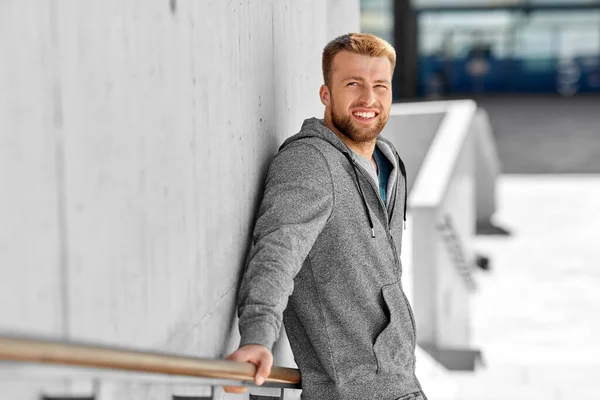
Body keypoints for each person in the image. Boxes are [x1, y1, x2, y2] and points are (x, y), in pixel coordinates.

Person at [225, 33, 426, 400]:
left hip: (402, 384)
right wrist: (257, 336)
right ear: (326, 94)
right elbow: (277, 252)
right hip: (351, 391)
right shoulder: (311, 163)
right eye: (353, 84)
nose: (368, 99)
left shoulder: (389, 161)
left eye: (380, 86)